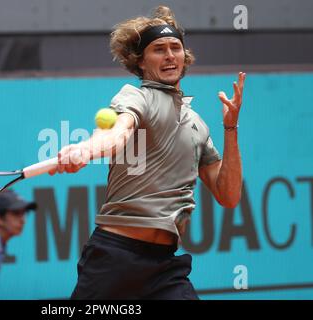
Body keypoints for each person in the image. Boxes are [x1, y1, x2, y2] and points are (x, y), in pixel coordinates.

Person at [48, 5, 245, 299]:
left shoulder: (198, 125)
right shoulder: (137, 96)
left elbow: (228, 196)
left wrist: (231, 129)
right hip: (114, 258)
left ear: (184, 56)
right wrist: (85, 150)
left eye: (175, 48)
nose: (169, 56)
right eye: (158, 49)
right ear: (140, 61)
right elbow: (116, 133)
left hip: (165, 266)